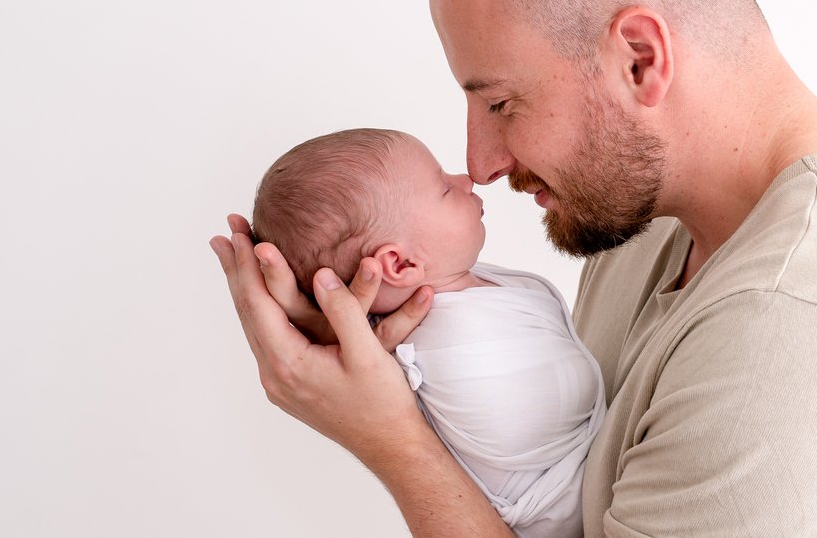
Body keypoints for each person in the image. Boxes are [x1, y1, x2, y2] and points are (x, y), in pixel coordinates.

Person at [210, 0, 817, 535]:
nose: (481, 165)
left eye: (500, 101)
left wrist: (394, 439)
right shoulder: (650, 222)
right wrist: (369, 357)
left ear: (638, 60)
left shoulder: (791, 349)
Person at [250, 128, 605, 537]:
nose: (465, 179)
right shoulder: (463, 351)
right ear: (399, 265)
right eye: (443, 189)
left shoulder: (449, 299)